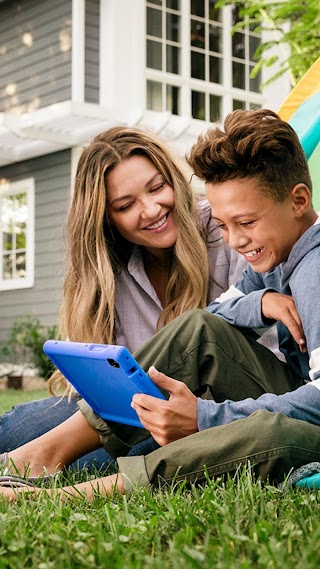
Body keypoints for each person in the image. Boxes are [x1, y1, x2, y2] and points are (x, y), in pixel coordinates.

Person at [3, 108, 320, 502]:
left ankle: (69, 493)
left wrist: (204, 418)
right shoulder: (271, 253)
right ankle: (45, 452)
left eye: (245, 223)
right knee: (195, 331)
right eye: (225, 227)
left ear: (299, 201)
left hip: (285, 416)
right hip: (241, 399)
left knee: (261, 432)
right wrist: (262, 303)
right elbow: (215, 318)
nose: (235, 240)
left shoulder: (302, 263)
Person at [0, 125, 244, 472]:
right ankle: (42, 451)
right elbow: (107, 392)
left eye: (157, 188)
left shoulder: (223, 230)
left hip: (205, 415)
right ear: (107, 219)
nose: (151, 209)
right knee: (21, 424)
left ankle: (49, 456)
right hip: (133, 415)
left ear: (173, 180)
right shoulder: (113, 268)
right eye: (126, 205)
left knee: (92, 456)